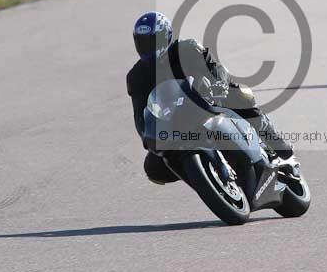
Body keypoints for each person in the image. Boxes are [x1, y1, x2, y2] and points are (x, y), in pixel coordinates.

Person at [126, 11, 295, 185]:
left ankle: (277, 144)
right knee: (154, 169)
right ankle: (204, 178)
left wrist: (219, 84)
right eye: (142, 42)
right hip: (176, 120)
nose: (147, 47)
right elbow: (140, 113)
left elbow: (215, 68)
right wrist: (146, 135)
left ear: (166, 36)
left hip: (210, 98)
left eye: (152, 41)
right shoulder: (137, 76)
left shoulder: (188, 48)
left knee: (241, 96)